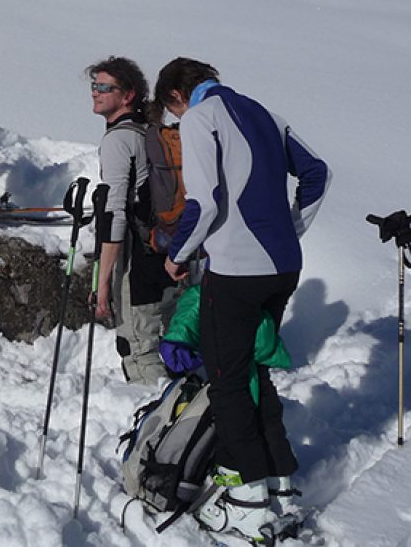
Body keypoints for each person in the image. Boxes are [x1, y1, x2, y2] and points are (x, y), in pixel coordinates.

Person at [155, 57, 330, 540]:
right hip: (283, 266)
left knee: (228, 380)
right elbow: (317, 173)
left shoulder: (198, 117)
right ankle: (281, 482)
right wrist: (288, 231)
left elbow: (205, 200)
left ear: (176, 95)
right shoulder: (263, 113)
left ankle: (245, 496)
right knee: (256, 371)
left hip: (236, 271)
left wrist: (177, 253)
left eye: (170, 110)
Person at [88, 56, 178, 385]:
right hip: (168, 256)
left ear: (128, 95)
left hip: (137, 265)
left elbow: (115, 215)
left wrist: (102, 288)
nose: (95, 93)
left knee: (140, 350)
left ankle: (157, 428)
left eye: (103, 87)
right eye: (94, 86)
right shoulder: (149, 132)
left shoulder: (118, 140)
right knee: (168, 345)